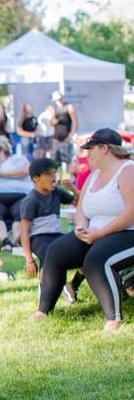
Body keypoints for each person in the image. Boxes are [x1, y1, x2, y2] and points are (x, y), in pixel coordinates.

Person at [31, 129, 134, 331]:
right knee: (55, 251)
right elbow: (82, 209)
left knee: (96, 260)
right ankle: (44, 310)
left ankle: (113, 318)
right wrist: (81, 227)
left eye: (91, 149)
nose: (88, 154)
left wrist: (101, 233)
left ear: (105, 149)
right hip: (94, 233)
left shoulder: (128, 170)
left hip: (127, 233)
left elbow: (132, 211)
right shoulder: (94, 175)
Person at [20, 158, 76, 277]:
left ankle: (73, 286)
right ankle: (47, 288)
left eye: (54, 172)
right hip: (39, 238)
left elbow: (80, 202)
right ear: (36, 178)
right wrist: (29, 260)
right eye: (48, 174)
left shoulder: (56, 192)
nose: (53, 177)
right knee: (50, 256)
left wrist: (72, 188)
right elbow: (24, 232)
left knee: (81, 251)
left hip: (57, 235)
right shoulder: (31, 200)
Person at [50, 91, 78, 166]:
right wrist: (53, 121)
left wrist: (71, 134)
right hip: (56, 138)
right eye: (56, 101)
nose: (58, 102)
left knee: (68, 159)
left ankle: (68, 177)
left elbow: (75, 121)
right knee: (55, 161)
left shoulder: (69, 107)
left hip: (66, 137)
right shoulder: (54, 109)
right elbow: (51, 122)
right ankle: (57, 177)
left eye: (59, 100)